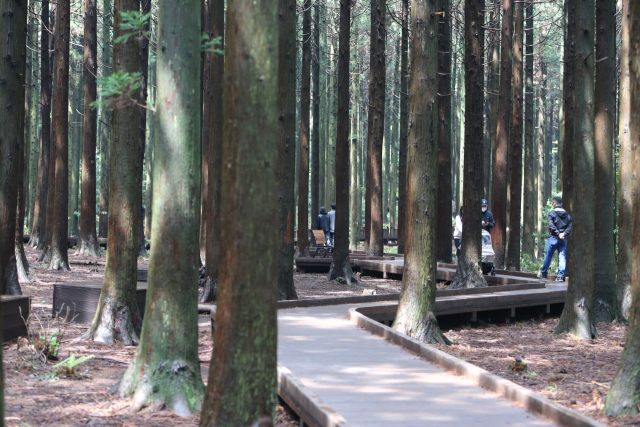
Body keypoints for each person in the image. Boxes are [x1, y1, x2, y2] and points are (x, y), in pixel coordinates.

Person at [538, 196, 572, 282]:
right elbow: (570, 226)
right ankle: (560, 277)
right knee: (562, 257)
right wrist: (563, 234)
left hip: (553, 238)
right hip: (562, 239)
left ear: (554, 203)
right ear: (562, 204)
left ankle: (544, 274)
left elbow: (551, 226)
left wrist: (558, 233)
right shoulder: (567, 215)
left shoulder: (551, 213)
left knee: (548, 256)